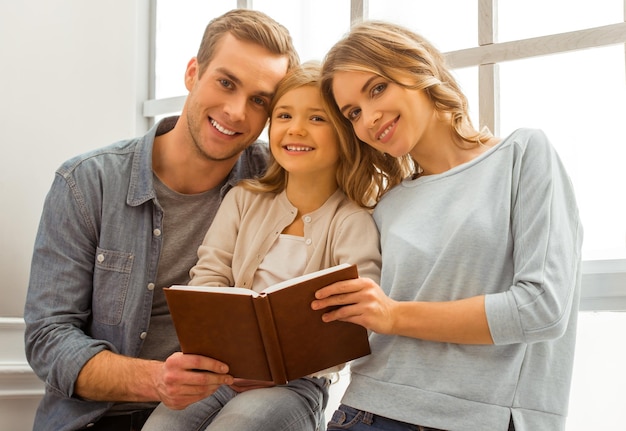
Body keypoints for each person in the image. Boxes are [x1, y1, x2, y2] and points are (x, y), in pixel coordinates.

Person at [23, 9, 300, 431]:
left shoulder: (283, 180)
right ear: (193, 73)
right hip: (100, 418)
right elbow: (48, 338)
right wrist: (157, 380)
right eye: (226, 83)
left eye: (259, 100)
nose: (236, 111)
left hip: (225, 413)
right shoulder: (86, 182)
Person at [312, 21, 583, 431]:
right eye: (353, 113)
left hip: (482, 418)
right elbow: (368, 323)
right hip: (366, 411)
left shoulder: (522, 155)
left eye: (377, 88)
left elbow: (541, 309)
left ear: (414, 67)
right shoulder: (387, 206)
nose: (369, 118)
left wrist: (394, 316)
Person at [141, 61, 382, 431]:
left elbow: (356, 320)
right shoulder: (242, 199)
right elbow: (208, 276)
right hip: (221, 371)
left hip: (299, 383)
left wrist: (284, 366)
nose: (295, 129)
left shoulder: (353, 220)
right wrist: (228, 354)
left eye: (316, 119)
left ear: (345, 135)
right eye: (284, 115)